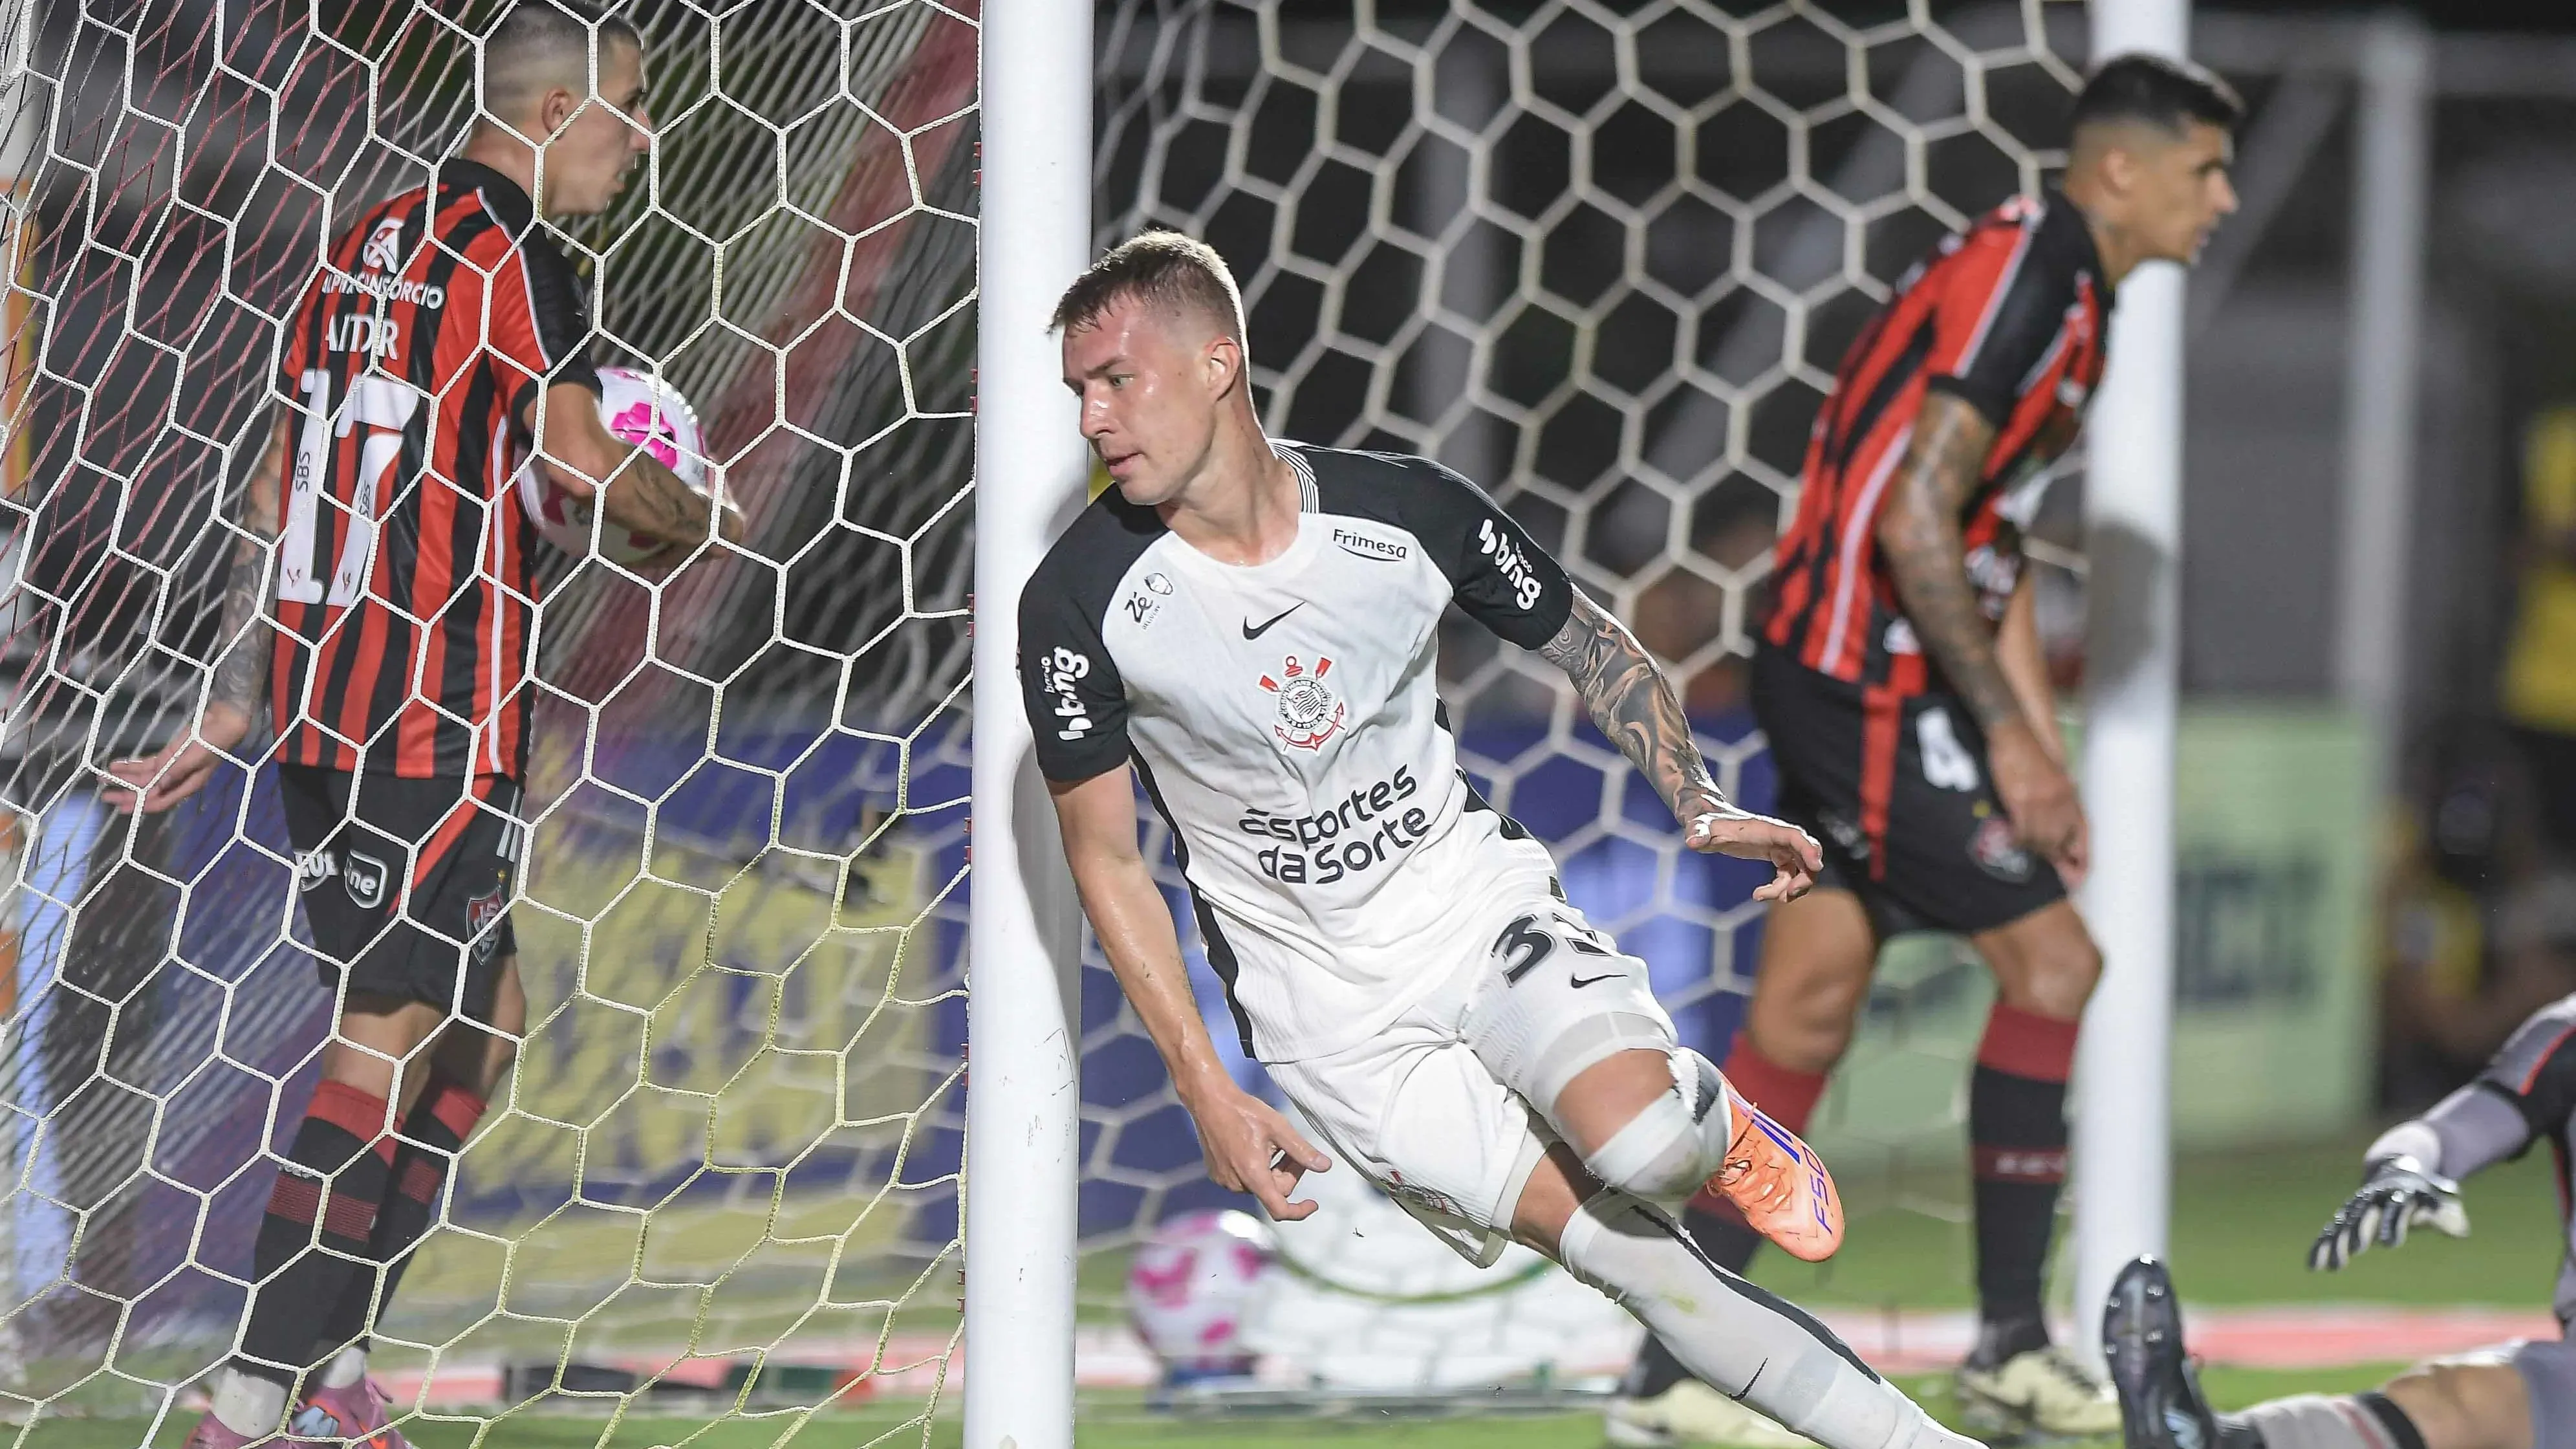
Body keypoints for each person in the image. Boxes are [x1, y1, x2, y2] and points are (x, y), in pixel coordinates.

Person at [1021, 228, 1979, 1449]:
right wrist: (1203, 1083)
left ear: (1218, 363)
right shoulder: (1077, 604)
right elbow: (1104, 857)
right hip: (1331, 1028)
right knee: (1644, 1272)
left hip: (1470, 915)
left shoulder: (1401, 514)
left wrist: (1694, 798)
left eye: (1118, 378)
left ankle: (1717, 1122)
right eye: (1078, 391)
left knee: (1642, 1141)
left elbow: (1588, 640)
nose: (1095, 417)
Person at [103, 6, 734, 1444]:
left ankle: (325, 1368)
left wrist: (235, 692)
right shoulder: (520, 257)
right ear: (559, 105)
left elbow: (277, 492)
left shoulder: (358, 244)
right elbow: (581, 463)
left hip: (333, 699)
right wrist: (687, 513)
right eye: (626, 112)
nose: (638, 146)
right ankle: (255, 1403)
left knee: (486, 1022)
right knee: (385, 1035)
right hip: (431, 709)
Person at [1610, 53, 2244, 1446]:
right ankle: (2010, 1344)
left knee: (1805, 1003)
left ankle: (1669, 1374)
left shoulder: (2070, 300)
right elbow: (1912, 519)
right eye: (2203, 168)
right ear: (2121, 169)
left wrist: (2034, 741)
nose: (2222, 196)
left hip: (1840, 674)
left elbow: (1981, 537)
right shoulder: (2037, 278)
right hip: (1859, 684)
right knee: (2055, 961)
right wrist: (2010, 735)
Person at [2106, 990, 2576, 1449]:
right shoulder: (2565, 1036)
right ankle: (2206, 1441)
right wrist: (2404, 1167)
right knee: (2456, 1398)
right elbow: (2452, 1130)